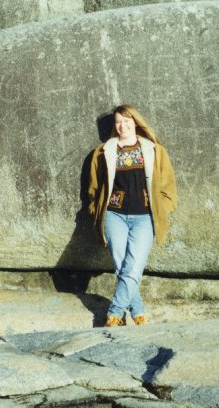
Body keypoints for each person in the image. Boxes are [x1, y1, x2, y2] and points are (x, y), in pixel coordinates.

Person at [88, 104, 177, 327]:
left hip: (144, 217)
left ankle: (114, 314)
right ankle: (138, 313)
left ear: (136, 122)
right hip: (114, 215)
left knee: (133, 267)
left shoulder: (155, 151)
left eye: (127, 121)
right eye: (118, 121)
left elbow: (168, 188)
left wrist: (160, 209)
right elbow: (93, 189)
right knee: (122, 267)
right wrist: (96, 210)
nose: (122, 126)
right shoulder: (103, 152)